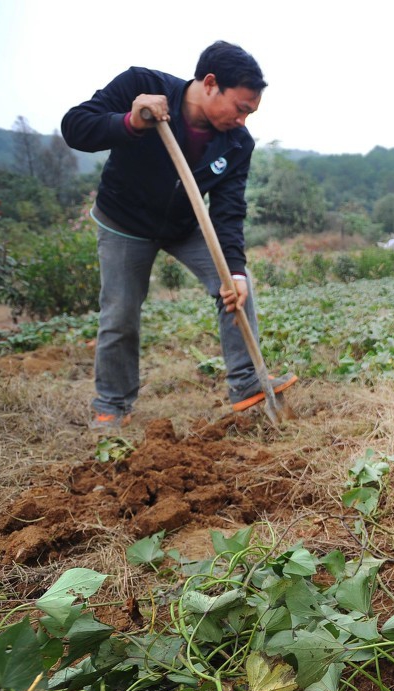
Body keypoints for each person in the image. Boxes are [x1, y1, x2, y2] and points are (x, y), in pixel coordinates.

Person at [61, 40, 296, 429]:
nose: (243, 120)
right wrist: (131, 121)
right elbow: (75, 128)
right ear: (209, 83)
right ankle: (112, 404)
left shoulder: (238, 142)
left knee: (235, 288)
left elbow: (229, 209)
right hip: (125, 222)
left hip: (186, 225)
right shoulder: (141, 85)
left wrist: (234, 269)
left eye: (251, 113)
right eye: (240, 108)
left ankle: (245, 380)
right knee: (120, 312)